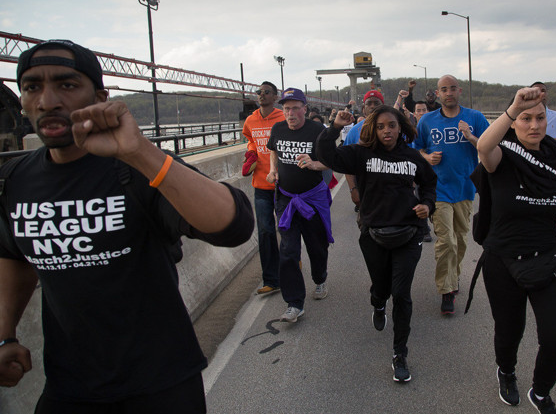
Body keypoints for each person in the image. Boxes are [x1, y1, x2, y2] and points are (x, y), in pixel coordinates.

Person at [0, 40, 254, 412]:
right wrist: (5, 336)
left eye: (67, 85)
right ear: (22, 99)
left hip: (160, 385)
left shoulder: (134, 169)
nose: (47, 100)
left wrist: (139, 152)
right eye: (32, 86)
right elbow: (12, 255)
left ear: (100, 97)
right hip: (67, 387)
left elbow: (234, 226)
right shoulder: (14, 180)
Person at [472, 87, 556, 413]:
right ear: (514, 123)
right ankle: (506, 371)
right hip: (503, 262)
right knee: (509, 333)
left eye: (540, 118)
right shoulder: (502, 157)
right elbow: (483, 147)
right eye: (525, 119)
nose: (534, 125)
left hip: (547, 259)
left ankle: (540, 391)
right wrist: (512, 108)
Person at [317, 105, 437, 383]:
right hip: (374, 234)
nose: (387, 131)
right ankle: (378, 302)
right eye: (381, 126)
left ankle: (399, 354)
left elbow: (430, 183)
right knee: (382, 288)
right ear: (373, 128)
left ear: (400, 128)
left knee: (402, 293)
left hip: (409, 233)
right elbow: (327, 156)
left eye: (392, 125)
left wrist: (427, 204)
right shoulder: (361, 154)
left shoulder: (411, 156)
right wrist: (334, 127)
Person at [414, 74, 489, 314]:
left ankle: (453, 277)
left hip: (465, 188)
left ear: (459, 91)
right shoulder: (426, 120)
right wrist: (427, 157)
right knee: (446, 241)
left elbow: (490, 147)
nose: (448, 93)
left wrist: (470, 137)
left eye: (453, 88)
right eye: (443, 89)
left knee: (461, 240)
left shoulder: (474, 118)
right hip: (438, 190)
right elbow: (415, 150)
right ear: (438, 94)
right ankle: (446, 291)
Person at [266, 87, 333, 323]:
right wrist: (273, 170)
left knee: (317, 247)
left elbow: (330, 160)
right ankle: (294, 303)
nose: (291, 113)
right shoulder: (278, 128)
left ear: (305, 109)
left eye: (295, 108)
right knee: (288, 250)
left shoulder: (318, 130)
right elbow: (273, 151)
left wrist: (315, 164)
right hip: (285, 198)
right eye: (286, 109)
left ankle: (320, 277)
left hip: (312, 198)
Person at [242, 81, 285, 296]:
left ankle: (292, 263)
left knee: (287, 229)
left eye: (267, 92)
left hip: (283, 184)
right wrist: (250, 154)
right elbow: (250, 140)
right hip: (260, 184)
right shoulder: (250, 120)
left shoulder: (283, 117)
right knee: (266, 231)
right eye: (259, 92)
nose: (262, 95)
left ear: (275, 97)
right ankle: (271, 279)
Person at [343, 90, 384, 209]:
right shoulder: (354, 132)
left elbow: (409, 160)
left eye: (376, 103)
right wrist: (353, 190)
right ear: (363, 109)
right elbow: (347, 163)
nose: (372, 106)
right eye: (369, 104)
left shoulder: (395, 129)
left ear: (383, 106)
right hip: (366, 192)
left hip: (394, 192)